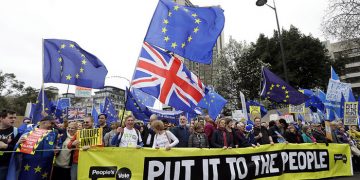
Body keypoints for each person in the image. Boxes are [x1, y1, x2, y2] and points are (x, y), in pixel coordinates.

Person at [15, 116, 59, 180]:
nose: (53, 126)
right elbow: (18, 149)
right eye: (51, 123)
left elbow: (55, 145)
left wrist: (56, 149)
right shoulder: (29, 131)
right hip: (29, 166)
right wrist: (18, 144)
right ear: (44, 123)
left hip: (45, 167)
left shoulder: (54, 133)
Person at [0, 110, 19, 180]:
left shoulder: (16, 131)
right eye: (10, 118)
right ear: (1, 118)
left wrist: (5, 146)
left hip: (4, 165)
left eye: (15, 118)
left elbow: (18, 148)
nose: (13, 120)